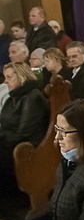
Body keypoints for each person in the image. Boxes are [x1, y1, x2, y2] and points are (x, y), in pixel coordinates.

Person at [1, 62, 50, 190]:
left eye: (9, 77)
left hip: (26, 146)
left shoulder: (32, 97)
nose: (5, 81)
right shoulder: (13, 97)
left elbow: (24, 132)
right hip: (11, 142)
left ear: (22, 77)